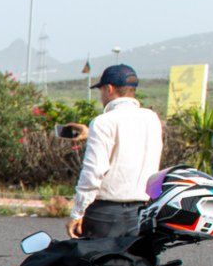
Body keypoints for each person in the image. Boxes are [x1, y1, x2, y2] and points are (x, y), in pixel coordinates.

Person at [69, 64, 162, 239]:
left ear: (109, 89)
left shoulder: (103, 122)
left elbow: (93, 172)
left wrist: (78, 212)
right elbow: (129, 144)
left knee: (97, 263)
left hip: (107, 213)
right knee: (135, 263)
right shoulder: (151, 118)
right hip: (144, 210)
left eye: (101, 91)